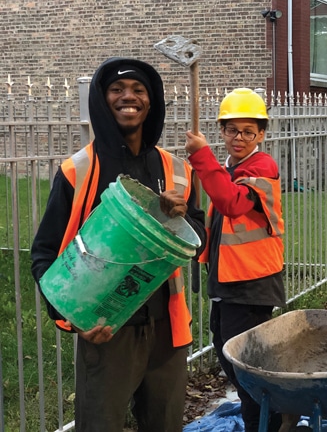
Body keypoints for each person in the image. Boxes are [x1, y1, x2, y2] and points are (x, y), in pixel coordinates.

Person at [31, 57, 207, 432]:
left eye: (138, 90)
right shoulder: (77, 170)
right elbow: (44, 253)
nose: (128, 97)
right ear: (102, 99)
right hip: (107, 330)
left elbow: (198, 237)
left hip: (167, 328)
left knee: (165, 424)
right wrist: (71, 318)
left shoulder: (175, 170)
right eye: (117, 89)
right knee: (100, 424)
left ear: (151, 101)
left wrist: (183, 218)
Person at [183, 88, 286, 432]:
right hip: (228, 281)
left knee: (245, 367)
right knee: (227, 352)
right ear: (223, 131)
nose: (239, 137)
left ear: (261, 134)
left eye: (247, 131)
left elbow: (231, 203)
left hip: (253, 284)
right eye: (232, 130)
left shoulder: (262, 167)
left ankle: (268, 422)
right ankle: (273, 414)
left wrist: (202, 157)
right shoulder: (229, 167)